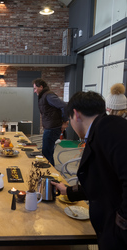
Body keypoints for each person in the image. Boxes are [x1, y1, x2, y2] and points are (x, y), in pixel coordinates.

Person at [52, 91, 127, 250]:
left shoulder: (109, 127)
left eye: (69, 120)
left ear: (75, 114)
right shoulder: (99, 131)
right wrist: (68, 191)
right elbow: (100, 181)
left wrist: (121, 226)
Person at [32, 78, 69, 166]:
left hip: (52, 128)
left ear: (41, 87)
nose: (34, 91)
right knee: (48, 152)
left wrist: (65, 121)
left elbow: (64, 106)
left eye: (35, 88)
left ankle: (49, 174)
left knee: (46, 153)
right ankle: (50, 172)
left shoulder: (48, 96)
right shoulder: (44, 96)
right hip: (50, 127)